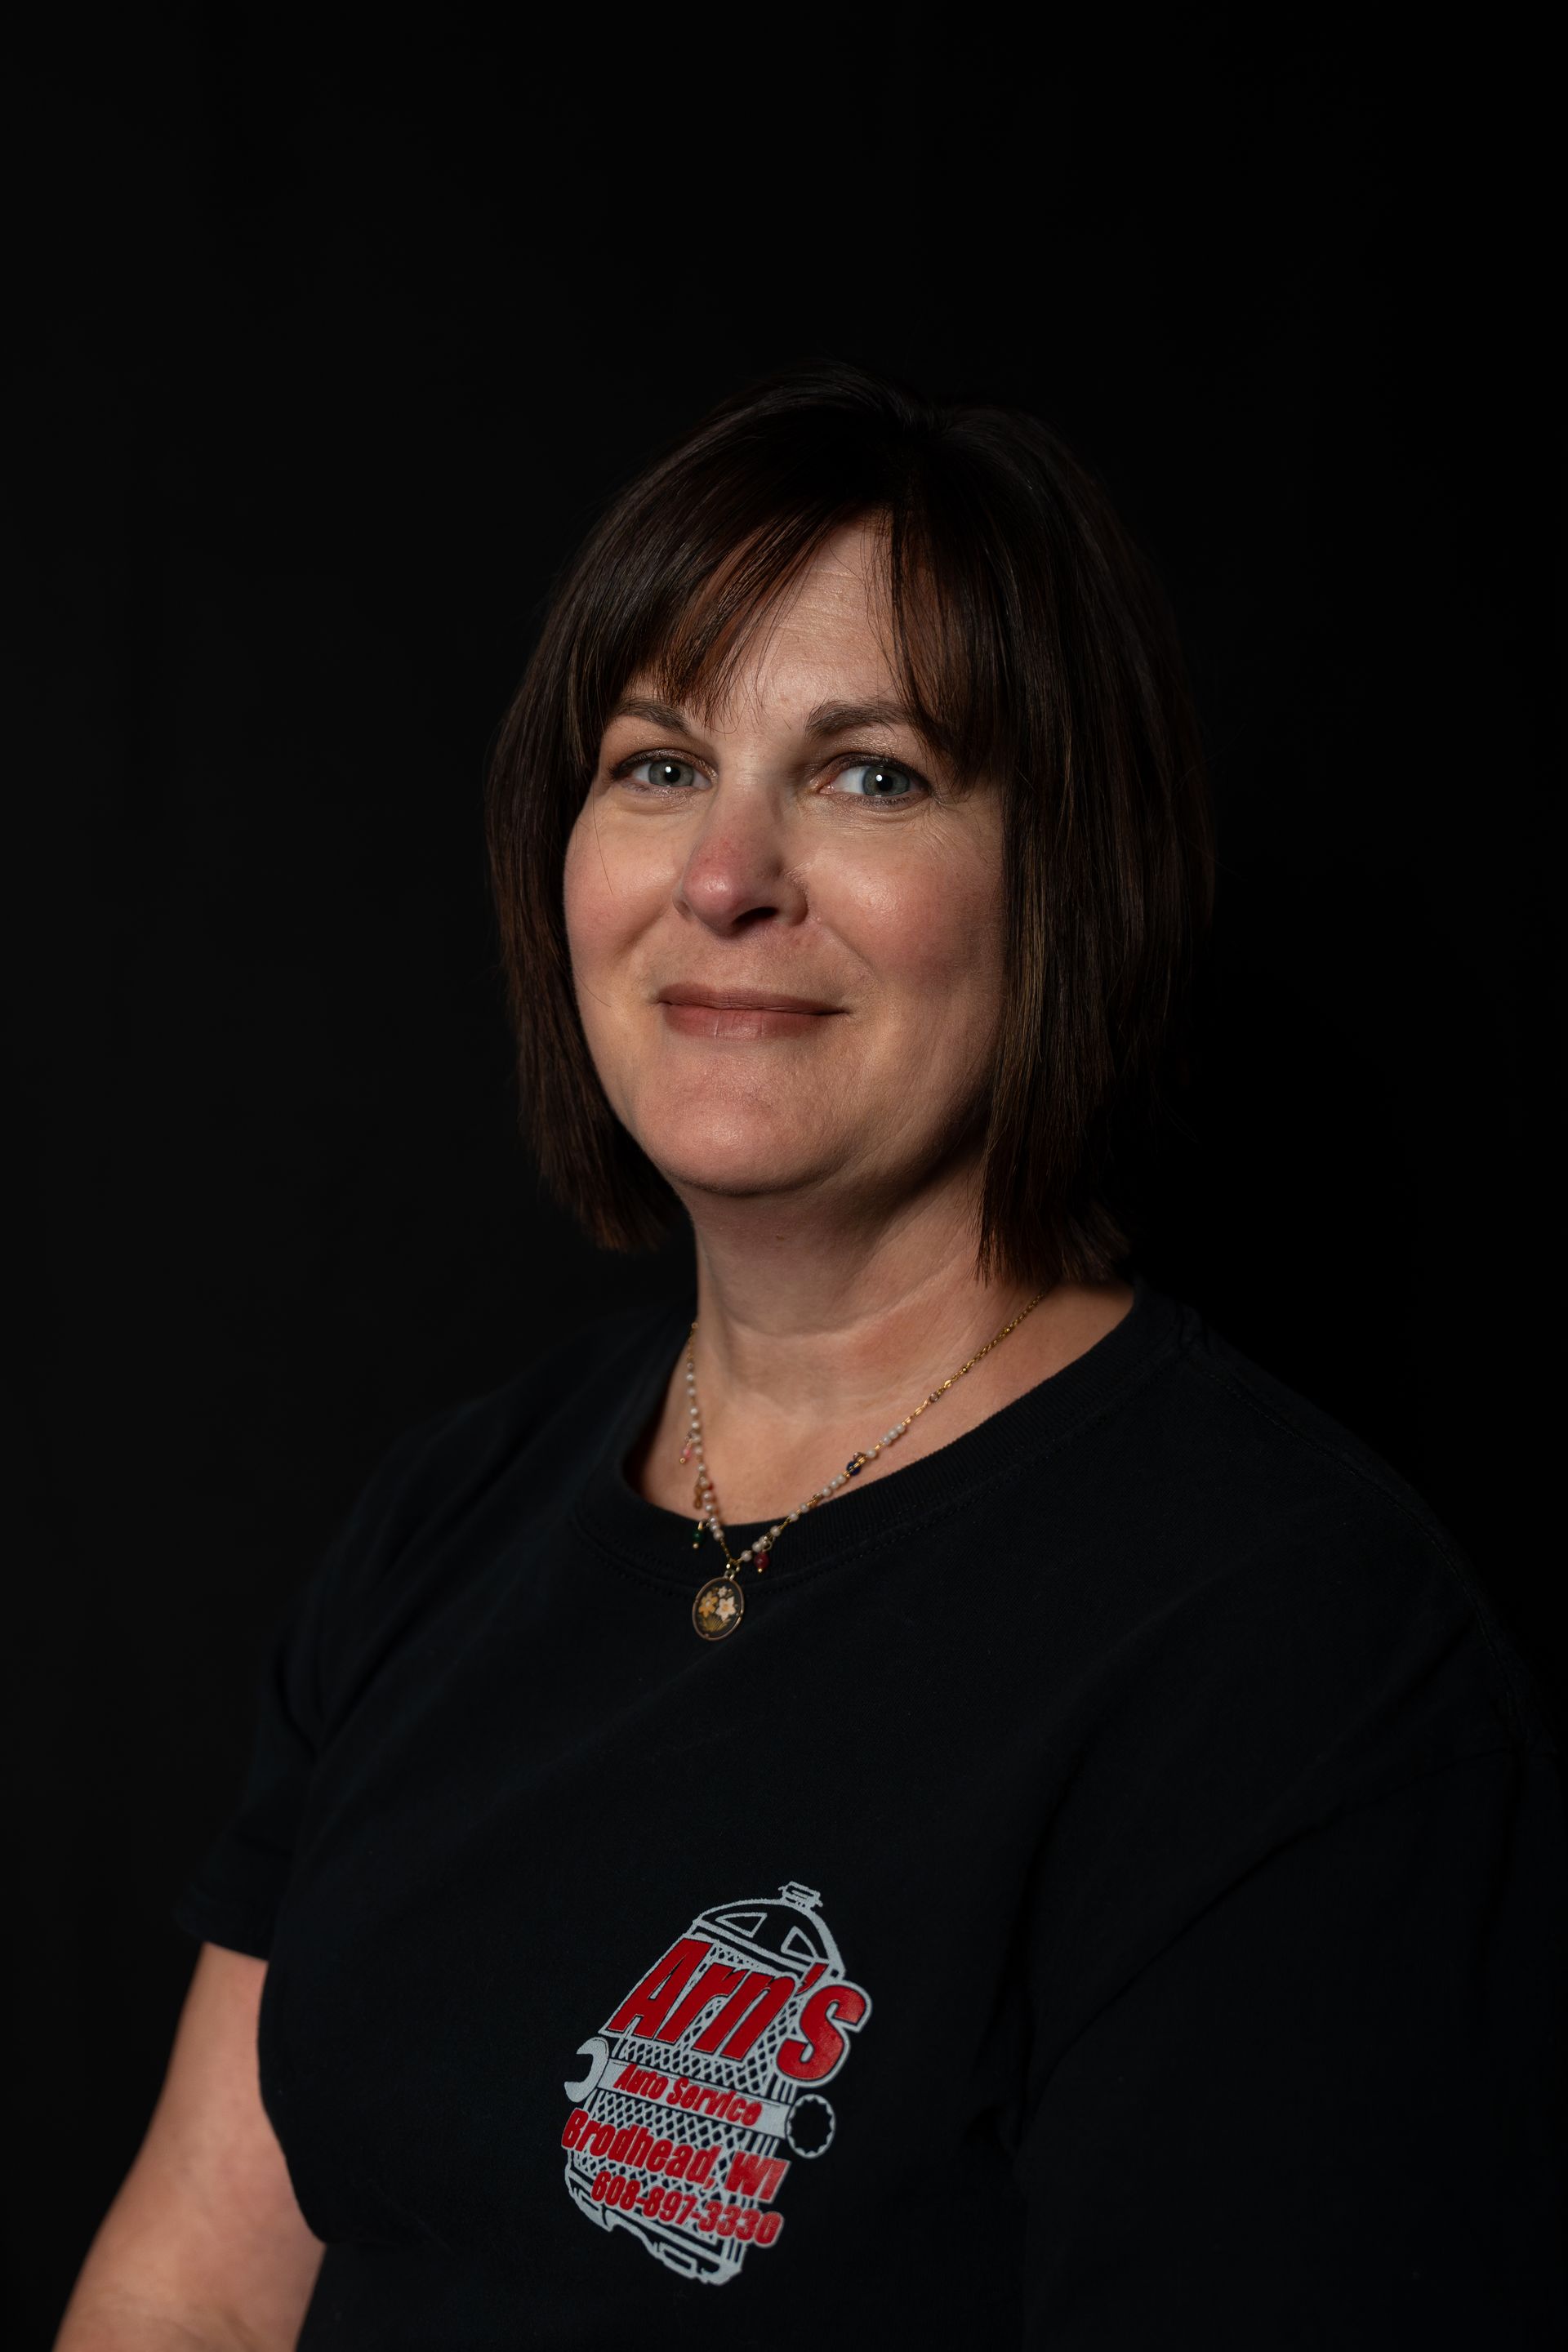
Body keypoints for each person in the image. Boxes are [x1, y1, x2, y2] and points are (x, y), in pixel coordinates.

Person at [56, 363, 1565, 2350]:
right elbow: (202, 2291)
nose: (723, 876)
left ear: (1068, 877)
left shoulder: (1292, 1655)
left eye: (873, 774)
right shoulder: (455, 1516)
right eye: (658, 762)